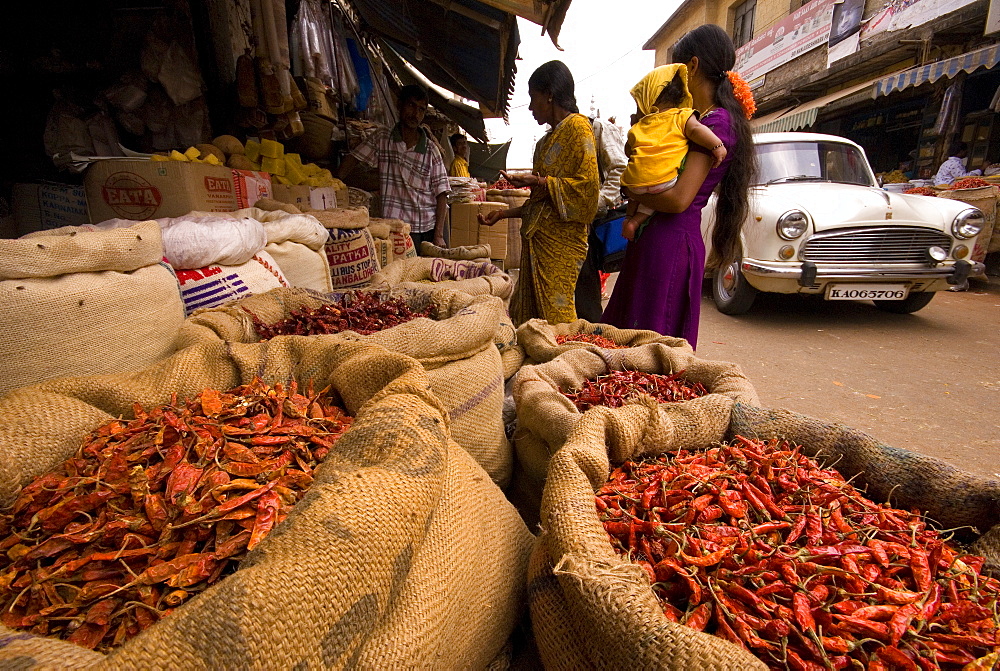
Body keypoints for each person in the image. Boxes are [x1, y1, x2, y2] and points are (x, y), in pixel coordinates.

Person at [601, 24, 757, 348]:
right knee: (630, 347)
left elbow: (678, 199)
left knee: (653, 350)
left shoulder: (716, 124)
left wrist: (631, 190)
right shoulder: (693, 117)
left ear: (693, 66)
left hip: (669, 244)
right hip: (655, 238)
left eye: (675, 67)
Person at [478, 60, 600, 326]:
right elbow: (540, 204)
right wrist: (503, 213)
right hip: (537, 243)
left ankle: (562, 367)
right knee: (530, 319)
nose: (531, 107)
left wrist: (541, 181)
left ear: (550, 94)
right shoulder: (544, 143)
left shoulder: (578, 128)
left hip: (561, 247)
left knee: (557, 321)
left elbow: (587, 192)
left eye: (533, 99)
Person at [619, 64, 728, 241]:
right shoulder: (682, 115)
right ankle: (636, 222)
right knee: (650, 200)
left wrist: (635, 127)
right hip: (664, 182)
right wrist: (716, 145)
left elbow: (629, 151)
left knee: (638, 195)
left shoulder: (640, 126)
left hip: (634, 184)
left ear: (648, 100)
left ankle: (630, 219)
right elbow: (695, 130)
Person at [339, 84, 449, 248]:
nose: (415, 114)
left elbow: (442, 194)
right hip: (392, 228)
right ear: (400, 105)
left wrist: (438, 235)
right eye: (411, 105)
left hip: (424, 230)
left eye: (421, 110)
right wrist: (334, 183)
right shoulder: (383, 138)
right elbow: (353, 158)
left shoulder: (431, 150)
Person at [573, 114, 628, 322]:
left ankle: (592, 336)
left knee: (585, 286)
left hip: (593, 222)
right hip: (573, 222)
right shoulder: (558, 134)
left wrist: (596, 203)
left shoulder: (599, 129)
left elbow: (619, 169)